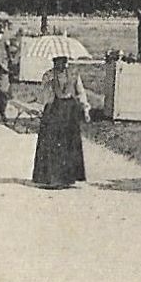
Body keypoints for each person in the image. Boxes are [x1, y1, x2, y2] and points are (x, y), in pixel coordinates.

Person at [32, 54, 93, 189]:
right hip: (53, 111)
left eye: (63, 61)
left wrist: (85, 108)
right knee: (53, 144)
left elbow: (80, 92)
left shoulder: (73, 75)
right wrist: (48, 86)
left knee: (68, 144)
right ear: (54, 62)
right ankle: (52, 177)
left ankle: (67, 178)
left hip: (69, 112)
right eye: (57, 61)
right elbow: (44, 97)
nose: (60, 64)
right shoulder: (48, 75)